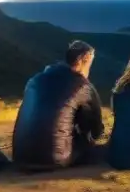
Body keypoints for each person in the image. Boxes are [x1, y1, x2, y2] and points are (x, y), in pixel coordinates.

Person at [12, 40, 105, 171]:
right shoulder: (83, 85)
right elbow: (95, 129)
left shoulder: (35, 79)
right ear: (82, 61)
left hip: (20, 156)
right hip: (54, 159)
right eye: (89, 63)